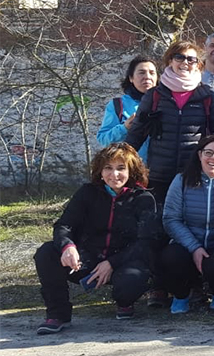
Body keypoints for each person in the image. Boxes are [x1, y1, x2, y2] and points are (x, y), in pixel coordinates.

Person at [34, 143, 158, 334]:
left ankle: (124, 303)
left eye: (120, 168)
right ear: (100, 171)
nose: (114, 175)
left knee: (130, 282)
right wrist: (68, 246)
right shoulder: (87, 193)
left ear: (131, 170)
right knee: (46, 253)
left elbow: (146, 242)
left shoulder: (143, 199)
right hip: (87, 258)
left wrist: (111, 263)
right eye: (108, 168)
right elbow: (64, 225)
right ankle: (58, 314)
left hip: (124, 262)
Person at [125, 41, 214, 205]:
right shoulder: (154, 96)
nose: (185, 62)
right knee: (157, 224)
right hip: (158, 176)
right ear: (170, 60)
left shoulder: (208, 97)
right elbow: (136, 134)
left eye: (191, 59)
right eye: (179, 57)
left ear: (198, 65)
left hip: (193, 175)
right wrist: (119, 161)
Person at [159, 134, 214, 314]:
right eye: (208, 153)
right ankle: (181, 295)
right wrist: (194, 247)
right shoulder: (182, 180)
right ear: (199, 155)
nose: (213, 158)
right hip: (188, 242)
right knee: (171, 257)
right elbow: (171, 219)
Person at [97, 55, 158, 161]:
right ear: (131, 78)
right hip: (131, 168)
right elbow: (103, 139)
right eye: (141, 72)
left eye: (152, 73)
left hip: (161, 170)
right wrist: (124, 128)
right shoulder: (118, 105)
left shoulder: (165, 103)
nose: (147, 77)